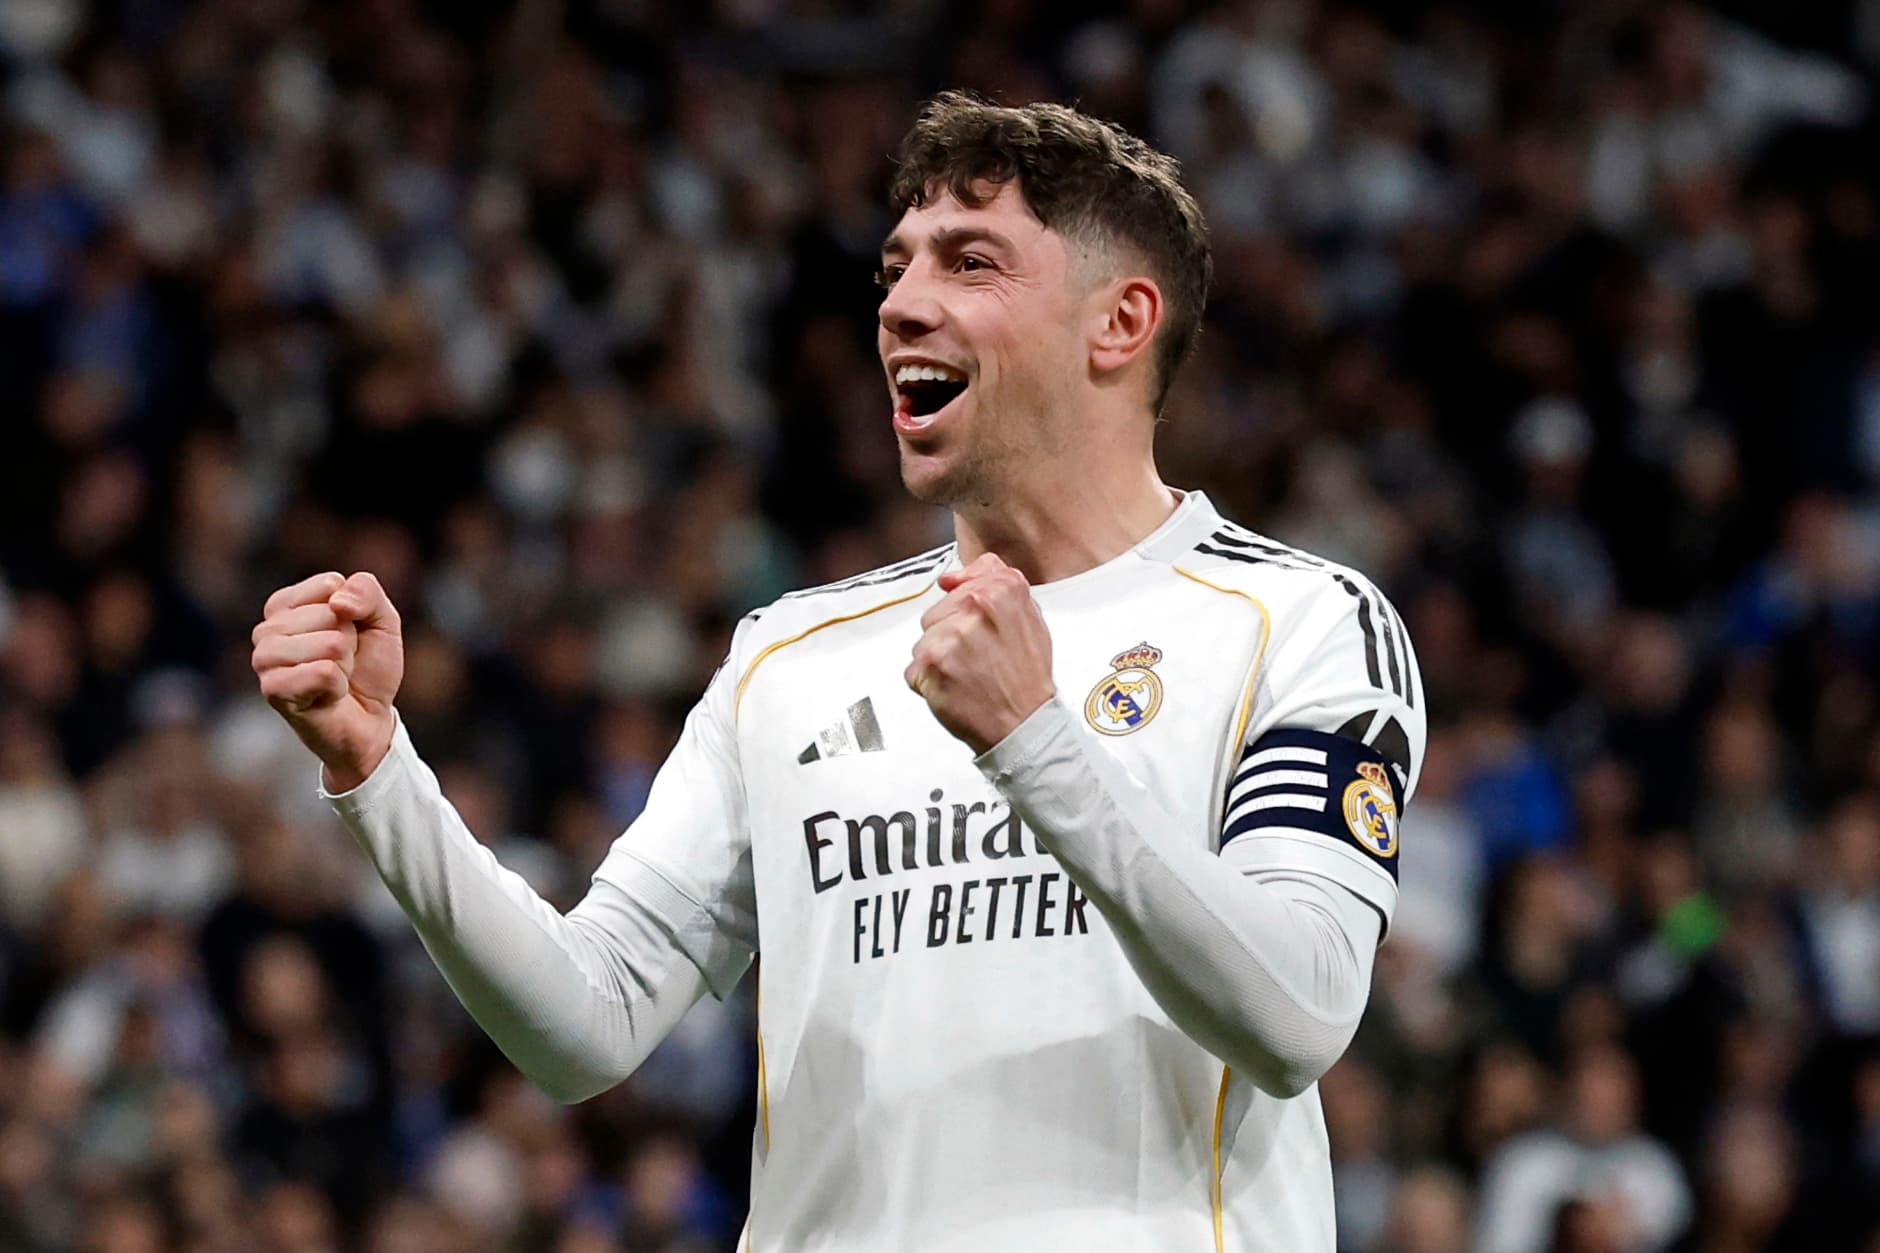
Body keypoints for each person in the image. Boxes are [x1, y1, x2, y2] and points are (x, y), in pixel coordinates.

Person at [250, 93, 1424, 1252]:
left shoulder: (1295, 621)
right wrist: (376, 768)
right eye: (895, 268)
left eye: (970, 263)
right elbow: (586, 1021)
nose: (905, 305)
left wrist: (1034, 737)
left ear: (1117, 323)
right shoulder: (792, 656)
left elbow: (1296, 1011)